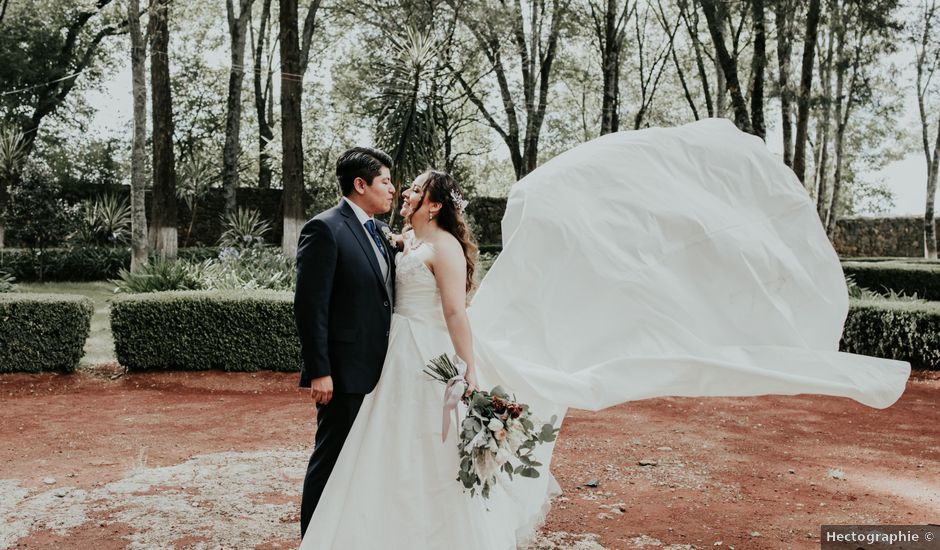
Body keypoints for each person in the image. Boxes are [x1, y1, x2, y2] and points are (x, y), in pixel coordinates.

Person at [299, 119, 910, 549]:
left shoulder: (443, 250)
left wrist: (470, 367)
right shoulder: (396, 237)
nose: (399, 192)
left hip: (428, 353)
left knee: (427, 450)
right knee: (384, 447)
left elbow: (457, 314)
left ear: (431, 205)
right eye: (392, 186)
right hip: (393, 359)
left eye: (410, 190)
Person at [293, 147, 397, 539]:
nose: (391, 189)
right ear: (360, 184)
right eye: (385, 181)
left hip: (382, 368)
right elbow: (310, 306)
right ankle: (314, 540)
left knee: (365, 461)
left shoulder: (378, 231)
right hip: (343, 371)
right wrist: (320, 370)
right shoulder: (325, 228)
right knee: (331, 459)